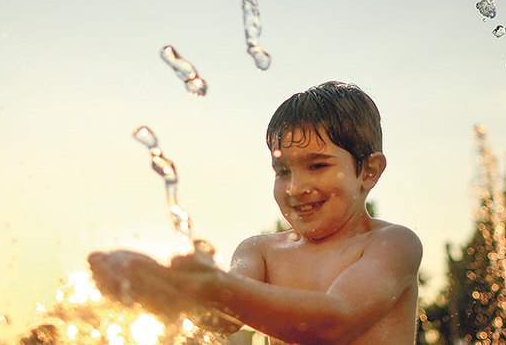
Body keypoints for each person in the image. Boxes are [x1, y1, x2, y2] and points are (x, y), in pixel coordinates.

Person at [88, 81, 422, 345]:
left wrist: (212, 287)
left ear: (369, 171)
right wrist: (165, 289)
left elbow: (336, 322)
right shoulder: (261, 251)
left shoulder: (391, 245)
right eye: (283, 171)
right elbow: (221, 318)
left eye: (317, 165)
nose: (295, 187)